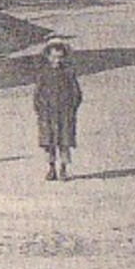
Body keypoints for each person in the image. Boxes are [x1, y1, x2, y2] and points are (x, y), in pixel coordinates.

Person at [34, 36, 83, 181]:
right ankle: (51, 169)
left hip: (64, 113)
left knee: (64, 142)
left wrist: (71, 108)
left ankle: (63, 168)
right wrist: (41, 109)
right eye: (54, 57)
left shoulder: (68, 73)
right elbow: (37, 94)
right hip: (48, 113)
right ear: (48, 56)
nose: (57, 60)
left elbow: (77, 93)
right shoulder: (43, 73)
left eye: (60, 57)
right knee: (49, 143)